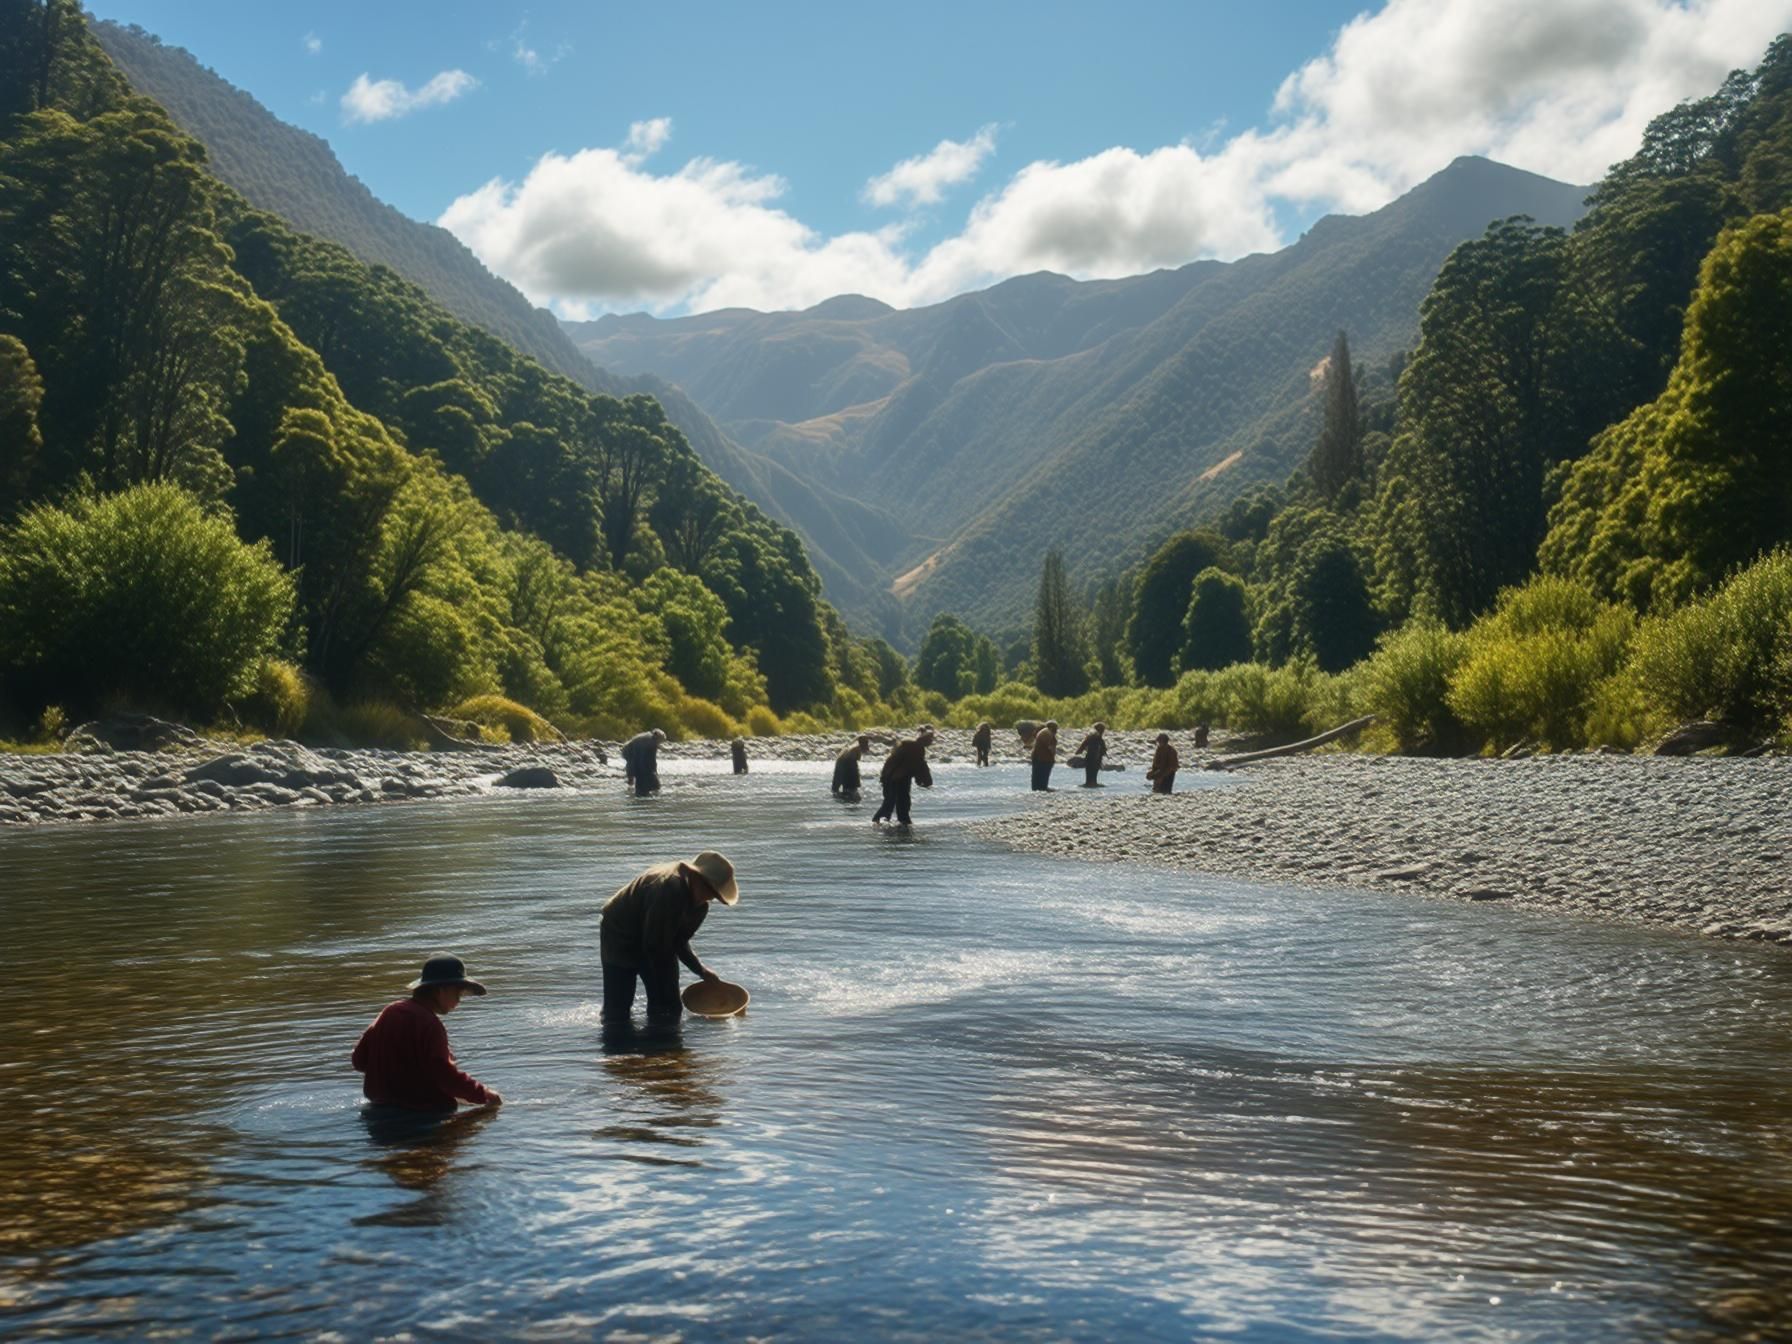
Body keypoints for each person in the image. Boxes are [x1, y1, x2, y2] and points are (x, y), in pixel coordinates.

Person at [600, 852, 739, 1025]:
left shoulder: (699, 908)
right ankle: (620, 1046)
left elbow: (678, 942)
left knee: (670, 1006)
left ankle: (663, 1048)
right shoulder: (668, 889)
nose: (709, 897)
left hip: (656, 936)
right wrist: (663, 986)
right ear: (695, 876)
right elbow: (654, 945)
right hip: (619, 933)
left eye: (715, 895)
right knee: (618, 1009)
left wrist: (702, 971)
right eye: (709, 889)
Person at [352, 955, 502, 1112]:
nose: (459, 1001)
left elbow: (359, 1061)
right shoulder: (430, 1024)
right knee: (484, 1118)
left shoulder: (390, 1011)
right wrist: (484, 1094)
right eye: (458, 993)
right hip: (422, 1115)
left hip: (377, 1111)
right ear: (441, 990)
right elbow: (445, 1075)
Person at [873, 725, 934, 826]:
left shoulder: (910, 744)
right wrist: (924, 781)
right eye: (930, 739)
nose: (932, 741)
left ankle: (884, 822)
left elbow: (918, 766)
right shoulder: (916, 747)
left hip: (895, 777)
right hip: (896, 778)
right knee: (895, 804)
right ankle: (881, 822)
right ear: (924, 739)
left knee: (894, 803)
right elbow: (919, 766)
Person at [622, 727, 666, 796]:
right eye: (661, 741)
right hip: (629, 751)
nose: (660, 743)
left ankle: (631, 787)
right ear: (658, 738)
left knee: (637, 770)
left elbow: (650, 761)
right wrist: (653, 772)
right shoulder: (651, 742)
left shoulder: (648, 737)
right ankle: (634, 788)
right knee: (640, 770)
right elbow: (651, 761)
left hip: (628, 750)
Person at [832, 733, 872, 801]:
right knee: (852, 789)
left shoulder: (851, 746)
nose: (867, 744)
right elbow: (855, 762)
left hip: (840, 762)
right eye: (866, 742)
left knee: (836, 786)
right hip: (848, 763)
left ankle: (839, 796)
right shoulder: (856, 748)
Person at [1075, 722, 1108, 787]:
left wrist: (1078, 752)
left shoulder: (1089, 737)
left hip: (1089, 758)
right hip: (1097, 759)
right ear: (1101, 730)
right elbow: (1104, 750)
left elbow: (1082, 747)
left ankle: (1088, 783)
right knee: (1094, 773)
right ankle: (1094, 783)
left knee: (1089, 772)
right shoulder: (1100, 739)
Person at [1030, 719, 1058, 792]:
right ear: (1053, 727)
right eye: (1056, 728)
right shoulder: (1048, 733)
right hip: (1044, 759)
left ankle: (1037, 788)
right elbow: (1051, 747)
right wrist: (1053, 757)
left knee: (1036, 776)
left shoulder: (1043, 732)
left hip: (1037, 757)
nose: (1056, 731)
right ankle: (1042, 788)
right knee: (1043, 776)